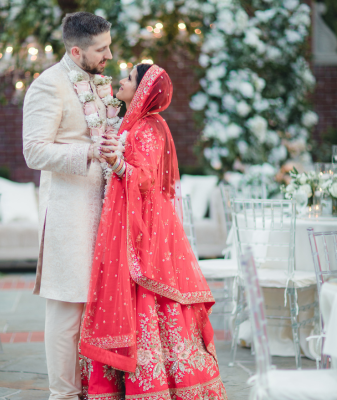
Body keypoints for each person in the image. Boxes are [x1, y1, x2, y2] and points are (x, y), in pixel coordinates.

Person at [79, 64, 228, 399]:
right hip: (135, 220)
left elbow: (144, 179)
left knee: (146, 295)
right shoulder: (138, 124)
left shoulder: (148, 127)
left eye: (129, 78)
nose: (121, 80)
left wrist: (117, 163)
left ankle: (156, 384)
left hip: (143, 225)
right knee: (135, 295)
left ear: (144, 89)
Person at [22, 12, 121, 400]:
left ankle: (90, 388)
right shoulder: (48, 86)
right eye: (101, 49)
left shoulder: (98, 82)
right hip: (69, 213)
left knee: (94, 307)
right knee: (67, 309)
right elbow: (33, 151)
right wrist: (91, 152)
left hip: (105, 210)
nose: (109, 55)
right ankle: (61, 394)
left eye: (109, 45)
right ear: (76, 50)